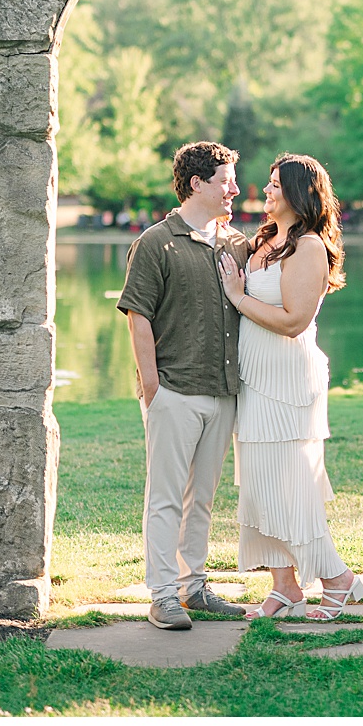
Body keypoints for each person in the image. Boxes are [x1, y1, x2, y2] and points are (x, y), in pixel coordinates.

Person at [218, 153, 363, 621]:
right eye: (268, 182)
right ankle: (285, 587)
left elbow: (294, 321)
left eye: (276, 185)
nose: (266, 190)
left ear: (300, 194)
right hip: (254, 378)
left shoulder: (309, 249)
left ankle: (339, 580)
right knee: (260, 485)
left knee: (292, 486)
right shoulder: (265, 240)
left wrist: (239, 298)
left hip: (287, 381)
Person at [116, 141, 250, 630]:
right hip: (174, 392)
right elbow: (138, 316)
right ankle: (162, 595)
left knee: (203, 498)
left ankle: (194, 587)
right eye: (226, 180)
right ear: (197, 183)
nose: (235, 189)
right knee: (166, 498)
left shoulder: (236, 243)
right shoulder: (156, 242)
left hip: (223, 392)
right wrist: (153, 391)